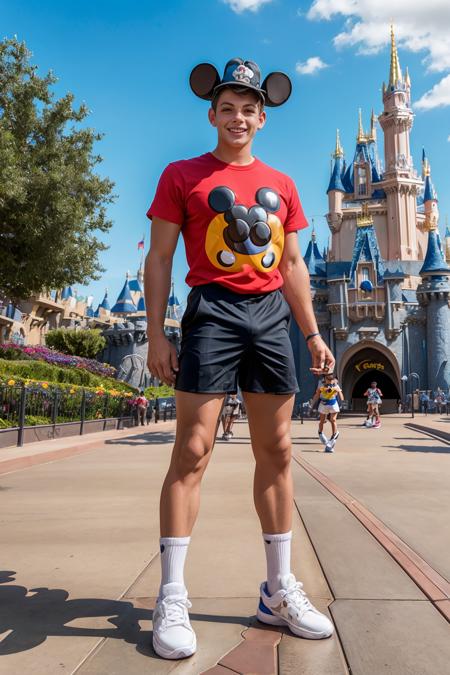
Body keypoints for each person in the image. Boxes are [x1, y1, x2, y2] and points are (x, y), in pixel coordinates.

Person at [145, 56, 335, 660]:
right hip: (213, 313)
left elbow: (294, 265)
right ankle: (172, 593)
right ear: (211, 113)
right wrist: (156, 335)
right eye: (227, 108)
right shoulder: (183, 175)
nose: (237, 118)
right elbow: (160, 259)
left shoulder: (283, 184)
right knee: (192, 450)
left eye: (248, 109)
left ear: (262, 117)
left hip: (272, 320)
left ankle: (278, 590)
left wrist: (311, 335)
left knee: (277, 452)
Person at [310, 373, 344, 452]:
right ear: (325, 378)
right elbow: (317, 395)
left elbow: (341, 396)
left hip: (333, 403)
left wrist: (339, 393)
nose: (330, 381)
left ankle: (333, 436)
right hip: (323, 404)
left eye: (331, 379)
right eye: (328, 379)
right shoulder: (321, 385)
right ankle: (320, 433)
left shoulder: (335, 385)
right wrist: (312, 404)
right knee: (322, 421)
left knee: (333, 420)